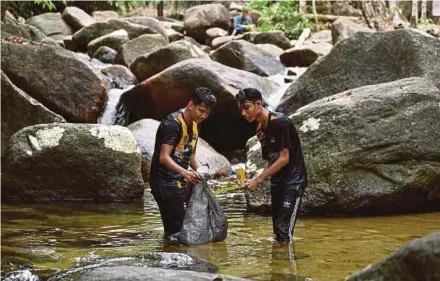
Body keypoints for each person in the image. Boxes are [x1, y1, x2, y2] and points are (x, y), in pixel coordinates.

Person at [236, 88, 307, 243]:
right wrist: (253, 179)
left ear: (259, 104)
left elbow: (284, 158)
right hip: (278, 183)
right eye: (241, 109)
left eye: (246, 107)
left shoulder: (280, 122)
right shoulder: (260, 130)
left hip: (293, 182)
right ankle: (279, 265)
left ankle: (289, 265)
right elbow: (271, 159)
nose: (243, 113)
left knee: (284, 231)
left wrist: (258, 180)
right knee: (277, 231)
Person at [149, 87, 217, 237]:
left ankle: (172, 252)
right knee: (176, 231)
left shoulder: (194, 124)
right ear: (191, 104)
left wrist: (201, 171)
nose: (203, 116)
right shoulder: (172, 124)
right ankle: (170, 256)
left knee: (184, 225)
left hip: (179, 180)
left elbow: (191, 156)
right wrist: (185, 173)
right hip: (163, 182)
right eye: (201, 110)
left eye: (207, 113)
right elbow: (164, 157)